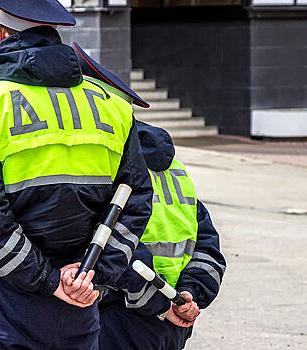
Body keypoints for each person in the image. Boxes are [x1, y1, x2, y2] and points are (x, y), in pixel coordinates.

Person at [0, 1, 154, 349]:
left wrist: (47, 279)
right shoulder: (112, 106)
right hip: (83, 296)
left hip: (10, 300)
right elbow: (135, 201)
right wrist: (94, 273)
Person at [70, 42, 226, 349]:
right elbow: (208, 247)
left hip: (120, 320)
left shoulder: (107, 164)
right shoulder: (175, 169)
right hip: (173, 322)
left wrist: (163, 304)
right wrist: (189, 295)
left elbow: (112, 247)